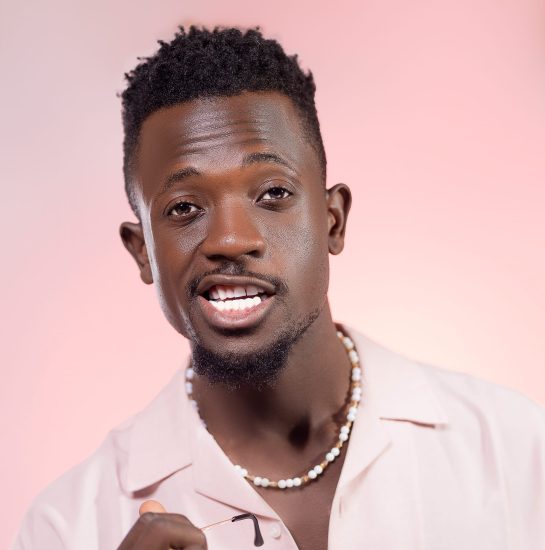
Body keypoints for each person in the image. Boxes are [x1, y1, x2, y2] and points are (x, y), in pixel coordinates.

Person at [12, 26, 545, 550]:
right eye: (184, 208)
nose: (229, 239)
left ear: (333, 221)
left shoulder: (512, 450)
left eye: (272, 194)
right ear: (143, 252)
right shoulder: (66, 528)